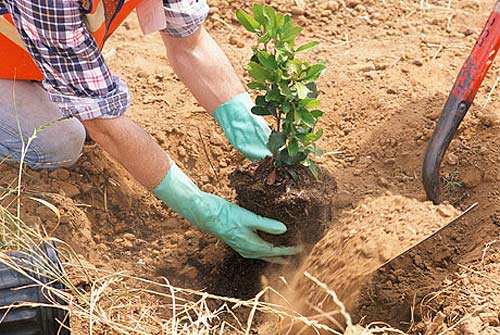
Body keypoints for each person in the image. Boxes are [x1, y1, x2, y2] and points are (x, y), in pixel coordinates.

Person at [0, 0, 302, 263]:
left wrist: (251, 131)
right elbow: (102, 121)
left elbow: (190, 44)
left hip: (28, 59)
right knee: (58, 141)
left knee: (78, 103)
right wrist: (199, 207)